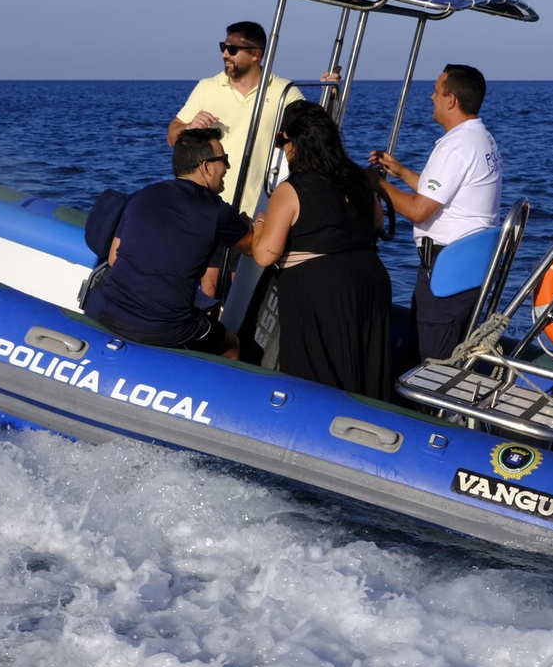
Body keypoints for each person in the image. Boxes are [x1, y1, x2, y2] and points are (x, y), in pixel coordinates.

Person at [250, 100, 392, 399]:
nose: (282, 150)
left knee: (319, 379)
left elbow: (264, 255)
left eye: (281, 141)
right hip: (370, 279)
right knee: (365, 373)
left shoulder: (291, 190)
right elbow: (378, 222)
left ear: (293, 143)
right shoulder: (358, 177)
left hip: (323, 290)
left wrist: (260, 224)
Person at [369, 64, 502, 364]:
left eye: (436, 90)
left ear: (451, 100)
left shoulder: (456, 147)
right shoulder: (481, 138)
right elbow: (443, 195)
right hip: (465, 274)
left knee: (432, 365)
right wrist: (401, 172)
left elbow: (418, 210)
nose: (431, 97)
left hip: (446, 280)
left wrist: (375, 183)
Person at [98, 128, 256, 359]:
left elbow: (114, 257)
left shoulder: (142, 195)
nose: (227, 167)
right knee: (230, 341)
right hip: (166, 329)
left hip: (111, 312)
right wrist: (259, 221)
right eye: (224, 160)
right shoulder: (217, 211)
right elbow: (254, 249)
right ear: (206, 166)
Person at [166, 21, 292, 217]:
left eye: (232, 49)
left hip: (262, 210)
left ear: (255, 54)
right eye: (223, 47)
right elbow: (172, 137)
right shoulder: (206, 88)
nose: (224, 54)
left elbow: (314, 132)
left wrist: (332, 92)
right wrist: (189, 127)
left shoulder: (285, 91)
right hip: (208, 207)